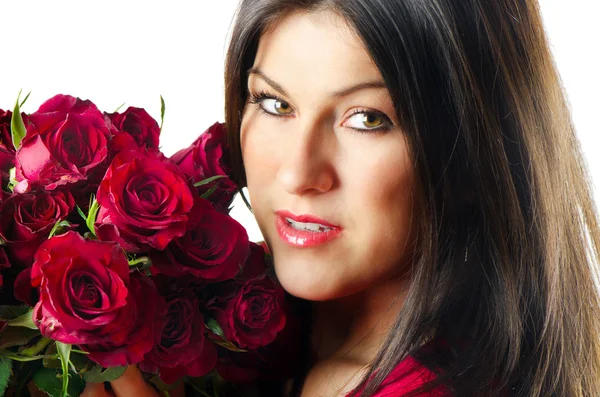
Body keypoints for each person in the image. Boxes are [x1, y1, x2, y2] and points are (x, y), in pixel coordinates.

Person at [84, 0, 600, 396]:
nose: (297, 172)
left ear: (474, 148)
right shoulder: (231, 323)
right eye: (273, 102)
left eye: (368, 119)